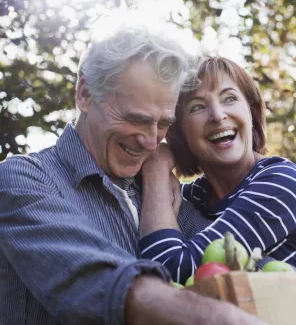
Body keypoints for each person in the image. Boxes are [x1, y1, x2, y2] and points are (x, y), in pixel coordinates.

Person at [0, 24, 267, 325]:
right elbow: (96, 280)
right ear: (85, 95)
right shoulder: (23, 181)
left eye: (163, 124)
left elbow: (238, 257)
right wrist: (214, 318)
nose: (152, 142)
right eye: (136, 119)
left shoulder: (158, 195)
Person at [138, 57, 296, 324]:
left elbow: (169, 271)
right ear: (180, 132)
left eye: (229, 99)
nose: (217, 115)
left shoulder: (281, 183)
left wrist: (157, 171)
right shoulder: (193, 198)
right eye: (198, 107)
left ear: (250, 112)